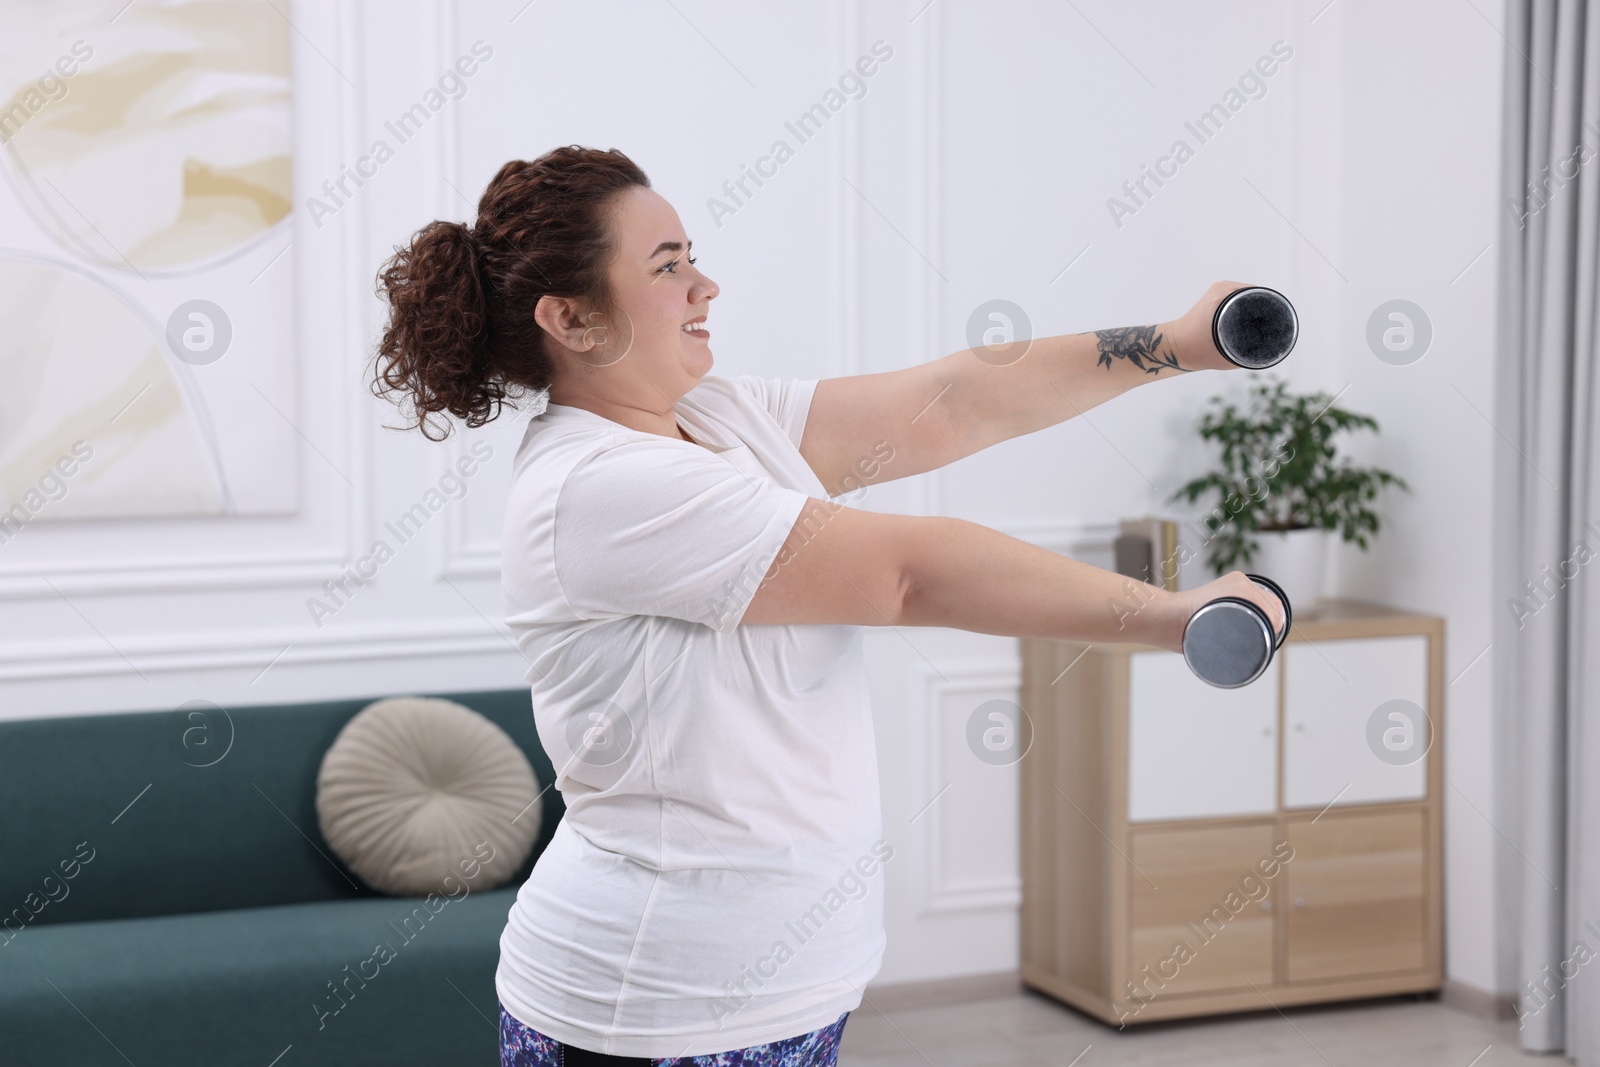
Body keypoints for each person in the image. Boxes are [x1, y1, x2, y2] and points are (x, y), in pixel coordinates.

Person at [370, 144, 1285, 1067]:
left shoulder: (717, 417)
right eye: (668, 266)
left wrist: (1182, 341)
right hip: (651, 1009)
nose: (705, 286)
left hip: (785, 991)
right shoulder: (597, 485)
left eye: (691, 255)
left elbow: (952, 404)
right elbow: (907, 575)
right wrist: (1176, 617)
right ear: (571, 318)